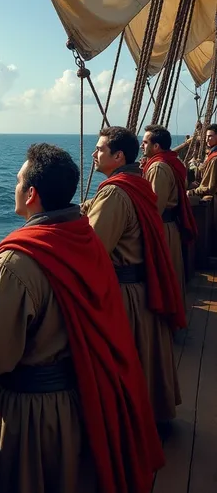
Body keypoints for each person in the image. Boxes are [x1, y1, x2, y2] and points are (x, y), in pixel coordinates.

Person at [0, 143, 163, 493]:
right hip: (82, 399)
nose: (14, 187)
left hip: (33, 420)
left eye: (18, 181)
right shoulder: (84, 238)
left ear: (32, 194)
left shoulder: (20, 263)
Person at [82, 127, 185, 425]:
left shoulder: (114, 191)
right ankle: (151, 415)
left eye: (99, 149)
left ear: (118, 156)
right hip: (141, 287)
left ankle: (129, 424)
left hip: (124, 293)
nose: (93, 153)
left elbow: (96, 250)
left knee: (124, 361)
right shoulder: (135, 182)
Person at [141, 124, 197, 306]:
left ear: (156, 146)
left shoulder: (158, 168)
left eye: (145, 142)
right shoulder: (173, 162)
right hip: (170, 227)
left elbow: (155, 206)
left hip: (162, 229)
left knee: (164, 274)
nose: (142, 146)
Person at [187, 123, 217, 200]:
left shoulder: (214, 159)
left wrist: (192, 192)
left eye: (210, 136)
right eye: (206, 136)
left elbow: (209, 187)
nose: (207, 139)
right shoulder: (211, 155)